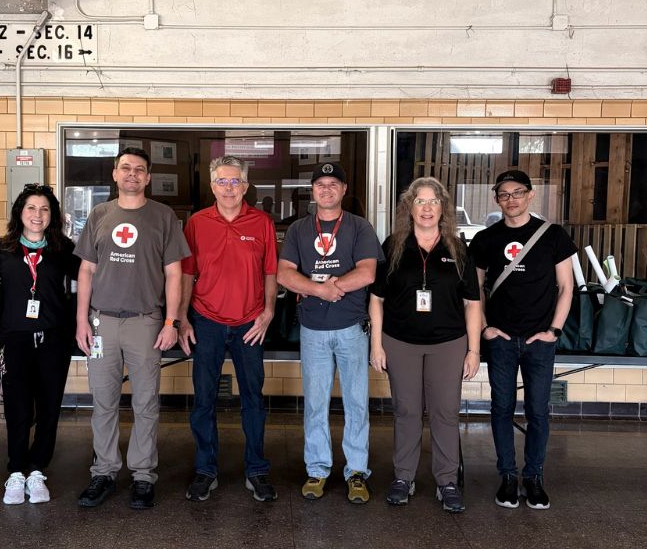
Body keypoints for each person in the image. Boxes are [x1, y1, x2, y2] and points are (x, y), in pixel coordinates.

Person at [74, 147, 190, 509]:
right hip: (102, 321)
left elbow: (175, 273)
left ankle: (142, 475)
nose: (132, 175)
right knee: (104, 402)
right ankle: (104, 472)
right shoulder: (99, 214)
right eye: (126, 168)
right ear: (114, 173)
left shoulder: (163, 216)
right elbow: (86, 271)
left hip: (145, 321)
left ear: (148, 177)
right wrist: (81, 320)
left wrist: (172, 321)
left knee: (145, 403)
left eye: (139, 170)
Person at [368, 177, 481, 513]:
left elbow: (473, 304)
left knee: (445, 413)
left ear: (443, 208)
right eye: (420, 201)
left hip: (448, 343)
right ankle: (404, 477)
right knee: (406, 412)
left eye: (434, 201)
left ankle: (446, 481)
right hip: (400, 341)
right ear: (410, 207)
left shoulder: (458, 250)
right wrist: (377, 345)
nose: (427, 208)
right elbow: (376, 300)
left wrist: (473, 350)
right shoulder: (393, 246)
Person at [469, 170, 576, 510]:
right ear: (496, 199)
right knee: (500, 409)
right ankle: (508, 477)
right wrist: (486, 327)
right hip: (500, 338)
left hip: (539, 341)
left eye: (517, 193)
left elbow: (566, 287)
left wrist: (554, 332)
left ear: (531, 196)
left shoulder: (553, 235)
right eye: (504, 194)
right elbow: (475, 291)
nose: (511, 199)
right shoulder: (485, 239)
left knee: (538, 412)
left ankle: (534, 478)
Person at [277, 162, 381, 503]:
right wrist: (320, 290)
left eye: (333, 183)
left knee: (356, 403)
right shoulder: (298, 230)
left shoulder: (359, 227)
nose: (326, 189)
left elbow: (367, 272)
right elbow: (285, 274)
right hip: (313, 330)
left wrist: (331, 287)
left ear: (343, 189)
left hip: (352, 328)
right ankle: (318, 470)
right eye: (320, 184)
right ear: (313, 190)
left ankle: (356, 472)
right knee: (316, 404)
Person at [178, 156, 278, 502]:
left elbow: (270, 272)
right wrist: (182, 318)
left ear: (246, 186)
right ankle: (206, 469)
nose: (229, 188)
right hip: (206, 321)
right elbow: (187, 274)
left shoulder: (262, 222)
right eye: (222, 181)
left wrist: (268, 312)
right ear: (212, 186)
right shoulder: (197, 223)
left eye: (236, 182)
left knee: (253, 399)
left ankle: (257, 470)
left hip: (250, 323)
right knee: (204, 399)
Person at [0, 184, 80, 505]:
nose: (37, 215)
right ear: (20, 212)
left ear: (52, 216)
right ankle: (16, 471)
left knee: (49, 408)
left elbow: (88, 277)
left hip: (52, 341)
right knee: (17, 407)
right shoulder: (2, 249)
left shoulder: (62, 249)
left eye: (44, 209)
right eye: (31, 208)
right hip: (16, 340)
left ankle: (36, 470)